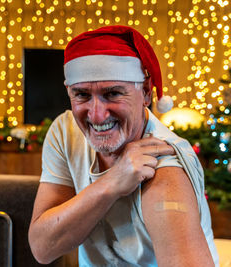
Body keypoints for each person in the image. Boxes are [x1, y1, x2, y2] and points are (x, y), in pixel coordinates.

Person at [28, 25, 219, 266]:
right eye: (82, 95)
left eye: (113, 93)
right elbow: (43, 247)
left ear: (147, 92)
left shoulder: (166, 166)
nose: (96, 115)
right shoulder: (66, 132)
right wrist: (113, 182)